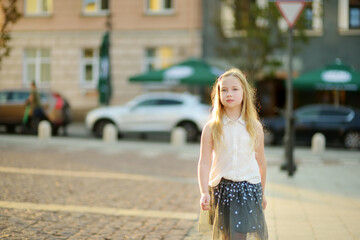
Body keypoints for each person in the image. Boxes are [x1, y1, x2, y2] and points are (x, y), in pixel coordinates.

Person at [197, 68, 268, 240]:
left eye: (235, 89)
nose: (229, 93)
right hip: (222, 189)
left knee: (239, 236)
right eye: (224, 90)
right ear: (218, 94)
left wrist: (263, 193)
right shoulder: (212, 127)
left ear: (244, 93)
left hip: (248, 188)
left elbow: (261, 162)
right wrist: (203, 192)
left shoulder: (254, 127)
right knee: (226, 236)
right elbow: (204, 162)